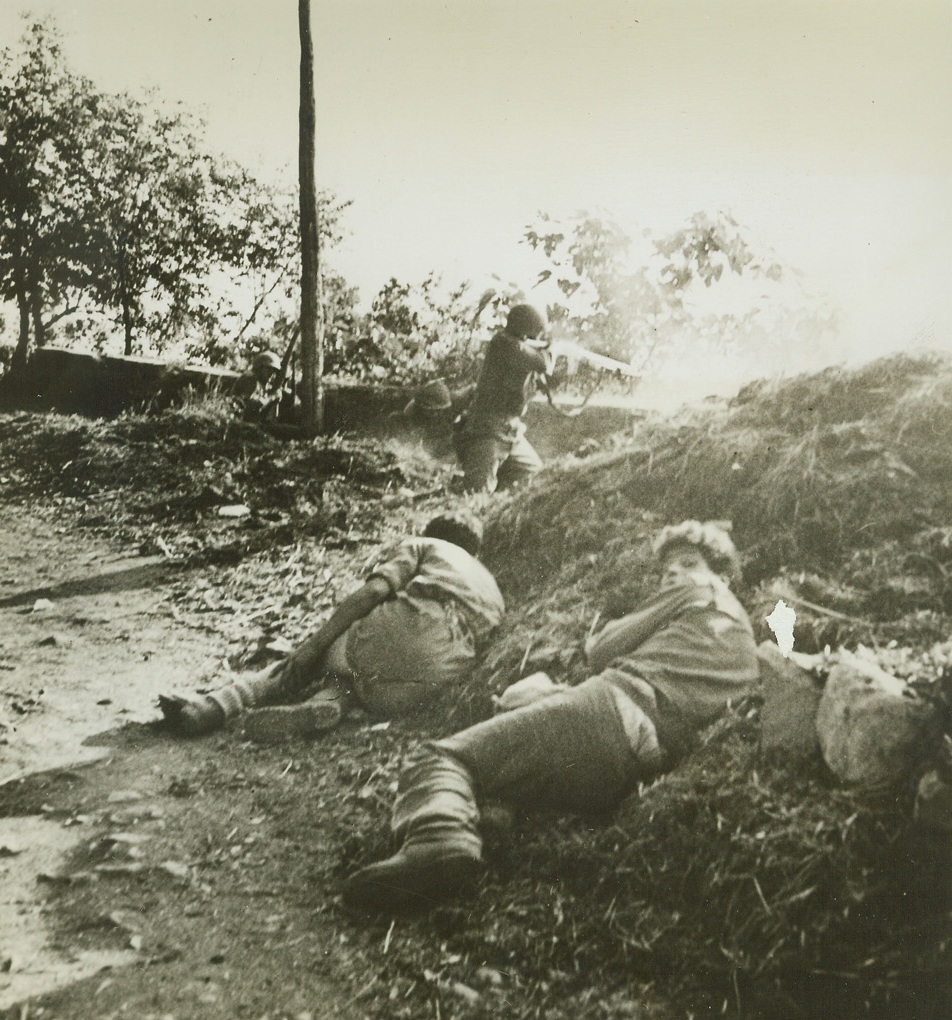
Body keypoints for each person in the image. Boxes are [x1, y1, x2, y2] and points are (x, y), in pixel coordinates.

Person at [343, 520, 759, 912]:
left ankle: (436, 839)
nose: (673, 575)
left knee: (441, 758)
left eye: (688, 564)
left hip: (609, 712)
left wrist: (602, 634)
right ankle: (488, 821)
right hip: (637, 763)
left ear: (721, 574)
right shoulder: (747, 654)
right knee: (519, 753)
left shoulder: (702, 590)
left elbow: (601, 652)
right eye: (666, 570)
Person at [158, 510, 505, 740]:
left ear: (433, 533)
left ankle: (218, 704)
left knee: (321, 656)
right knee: (357, 680)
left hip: (412, 627)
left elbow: (372, 593)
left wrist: (313, 645)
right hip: (427, 681)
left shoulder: (427, 545)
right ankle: (328, 706)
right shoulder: (490, 584)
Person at [456, 303, 553, 493]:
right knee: (476, 496)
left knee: (536, 478)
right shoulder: (503, 343)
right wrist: (553, 349)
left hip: (510, 431)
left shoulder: (516, 347)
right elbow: (543, 363)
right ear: (526, 330)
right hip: (487, 432)